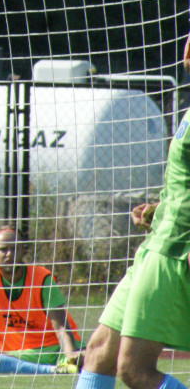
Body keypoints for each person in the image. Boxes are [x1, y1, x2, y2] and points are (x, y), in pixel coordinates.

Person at [72, 37, 190, 389]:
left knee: (134, 369)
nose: (185, 49)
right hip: (157, 243)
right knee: (97, 355)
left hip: (174, 253)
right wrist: (159, 210)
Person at [0, 226, 83, 375]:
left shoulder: (42, 278)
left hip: (55, 350)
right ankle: (52, 371)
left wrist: (70, 355)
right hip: (18, 356)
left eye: (15, 249)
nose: (10, 254)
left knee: (92, 359)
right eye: (3, 249)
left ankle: (63, 365)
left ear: (23, 251)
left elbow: (61, 327)